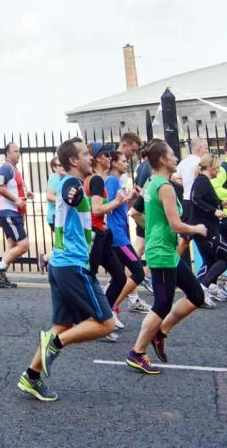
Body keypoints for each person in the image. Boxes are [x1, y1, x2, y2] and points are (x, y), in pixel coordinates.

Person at [16, 138, 114, 401]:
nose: (90, 157)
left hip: (60, 264)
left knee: (61, 324)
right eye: (85, 154)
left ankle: (31, 377)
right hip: (73, 265)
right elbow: (73, 195)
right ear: (73, 160)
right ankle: (55, 343)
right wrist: (76, 195)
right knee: (105, 323)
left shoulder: (66, 183)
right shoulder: (71, 183)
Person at [125, 140, 209, 375]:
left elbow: (136, 213)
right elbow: (175, 224)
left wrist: (152, 230)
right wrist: (197, 229)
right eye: (172, 155)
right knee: (161, 305)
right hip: (161, 254)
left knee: (196, 294)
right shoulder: (164, 186)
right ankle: (137, 352)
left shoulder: (152, 183)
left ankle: (161, 333)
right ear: (162, 160)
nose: (176, 159)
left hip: (165, 252)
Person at [85, 143, 131, 339]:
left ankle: (102, 316)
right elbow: (96, 210)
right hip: (96, 234)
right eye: (105, 155)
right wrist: (118, 201)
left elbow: (103, 209)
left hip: (102, 234)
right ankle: (96, 321)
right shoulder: (95, 180)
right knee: (91, 277)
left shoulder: (98, 179)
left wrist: (123, 199)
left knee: (120, 277)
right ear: (96, 158)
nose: (109, 158)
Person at [103, 150, 147, 317]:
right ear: (114, 163)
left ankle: (106, 311)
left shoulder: (117, 181)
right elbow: (106, 209)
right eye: (123, 161)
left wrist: (131, 197)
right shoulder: (112, 181)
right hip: (117, 238)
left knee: (118, 275)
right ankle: (110, 308)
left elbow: (121, 209)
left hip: (120, 233)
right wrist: (122, 199)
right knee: (138, 271)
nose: (126, 163)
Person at [186, 154, 227, 305]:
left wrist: (221, 204)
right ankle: (203, 288)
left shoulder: (204, 181)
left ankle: (197, 291)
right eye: (217, 167)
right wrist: (214, 211)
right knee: (224, 256)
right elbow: (195, 199)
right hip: (206, 229)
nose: (219, 170)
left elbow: (204, 200)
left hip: (207, 227)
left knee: (210, 260)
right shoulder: (202, 180)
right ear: (210, 166)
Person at [0, 142, 34, 288]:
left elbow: (14, 188)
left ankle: (1, 278)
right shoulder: (5, 168)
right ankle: (0, 268)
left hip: (14, 213)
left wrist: (26, 194)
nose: (18, 154)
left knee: (12, 245)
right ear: (7, 153)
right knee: (23, 246)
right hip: (9, 213)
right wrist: (16, 199)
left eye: (19, 151)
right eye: (15, 151)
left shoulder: (14, 169)